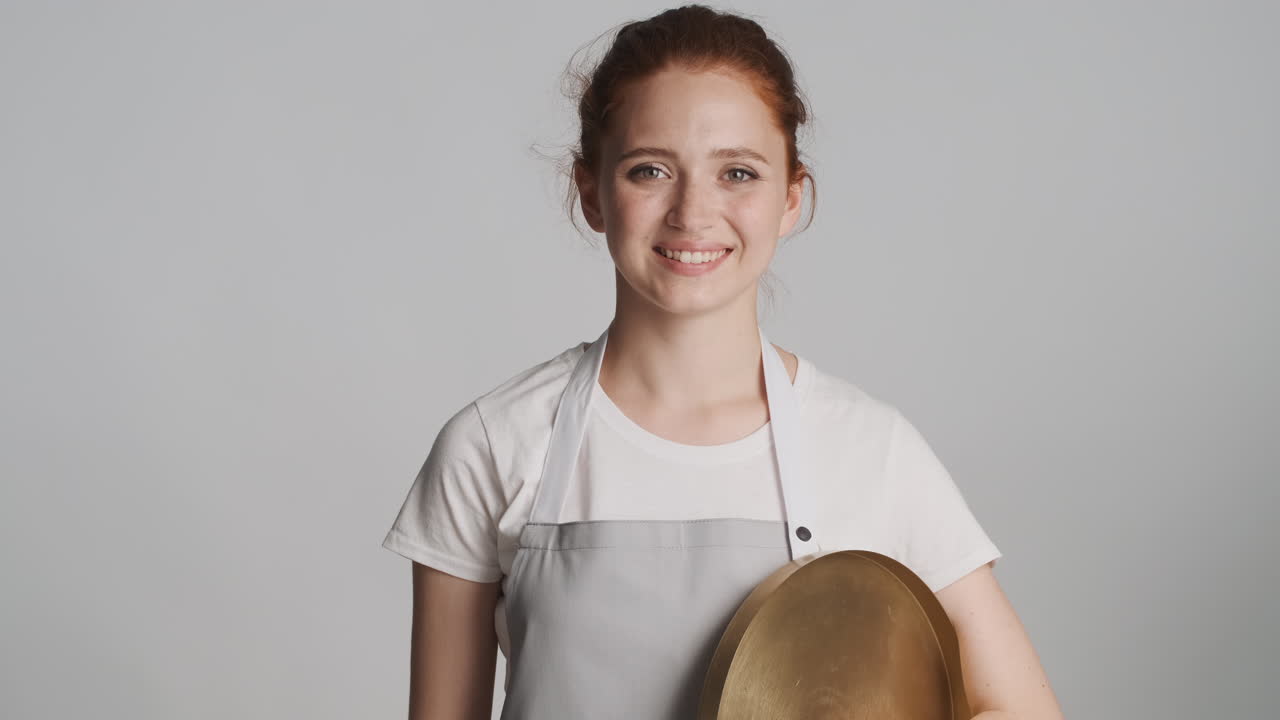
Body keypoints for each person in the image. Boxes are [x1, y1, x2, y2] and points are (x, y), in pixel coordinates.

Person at [382, 5, 1064, 719]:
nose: (693, 214)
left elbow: (1022, 709)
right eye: (650, 170)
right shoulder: (495, 444)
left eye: (738, 172)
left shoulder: (870, 448)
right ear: (591, 192)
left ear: (791, 198)